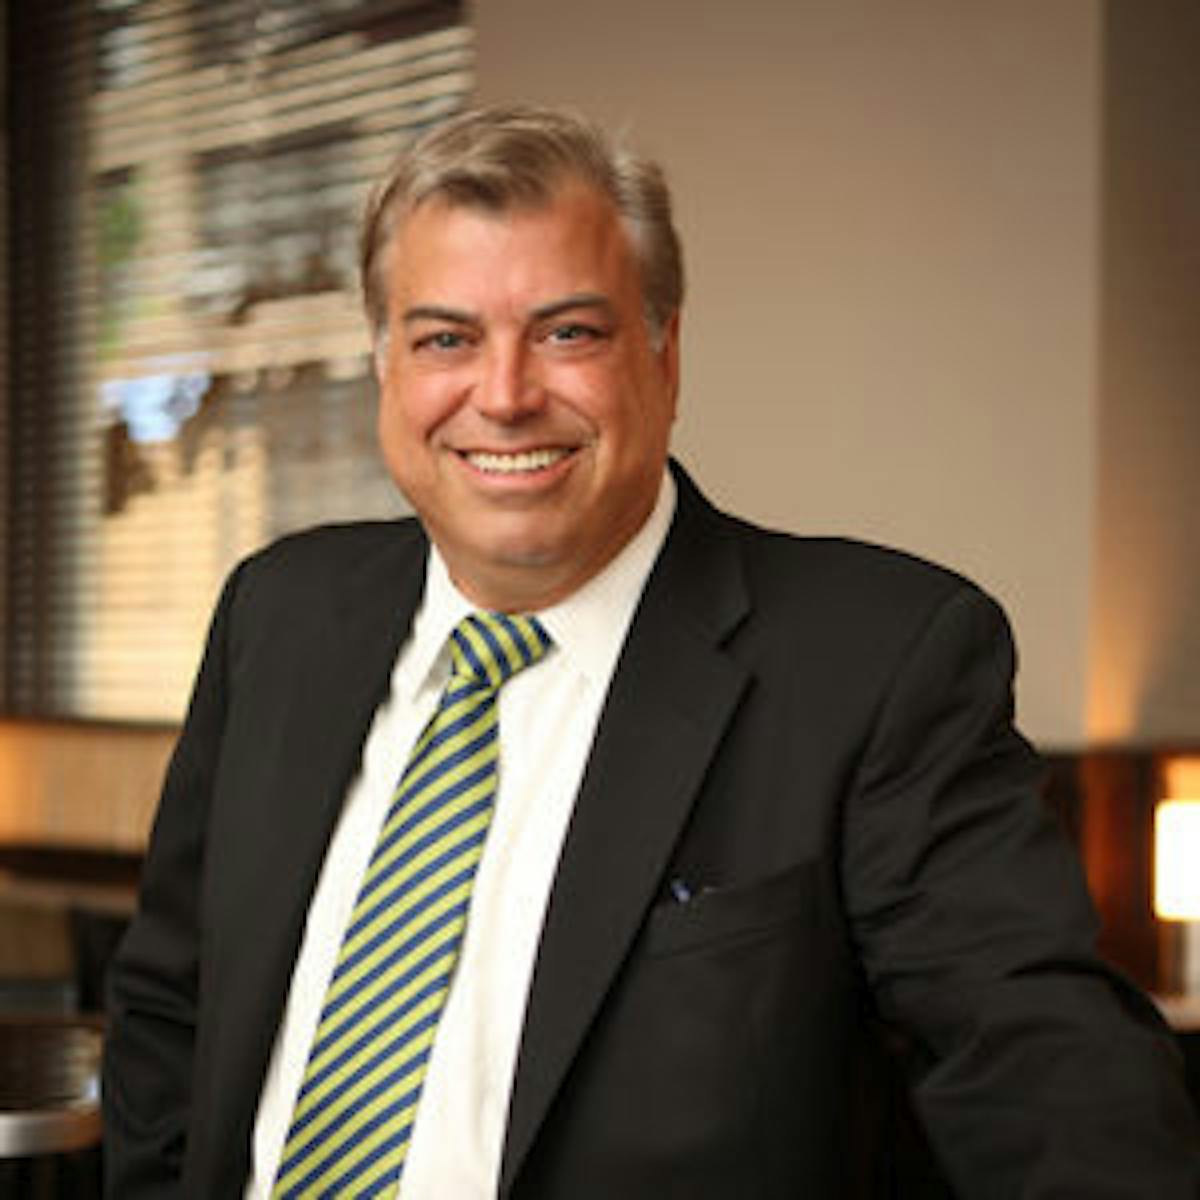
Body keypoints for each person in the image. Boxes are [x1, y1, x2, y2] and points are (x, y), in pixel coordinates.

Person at [102, 105, 1200, 1198]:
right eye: (446, 338)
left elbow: (1043, 1070)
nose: (505, 394)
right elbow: (172, 1011)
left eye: (569, 332)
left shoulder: (878, 663)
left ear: (665, 355)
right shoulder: (278, 615)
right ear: (384, 366)